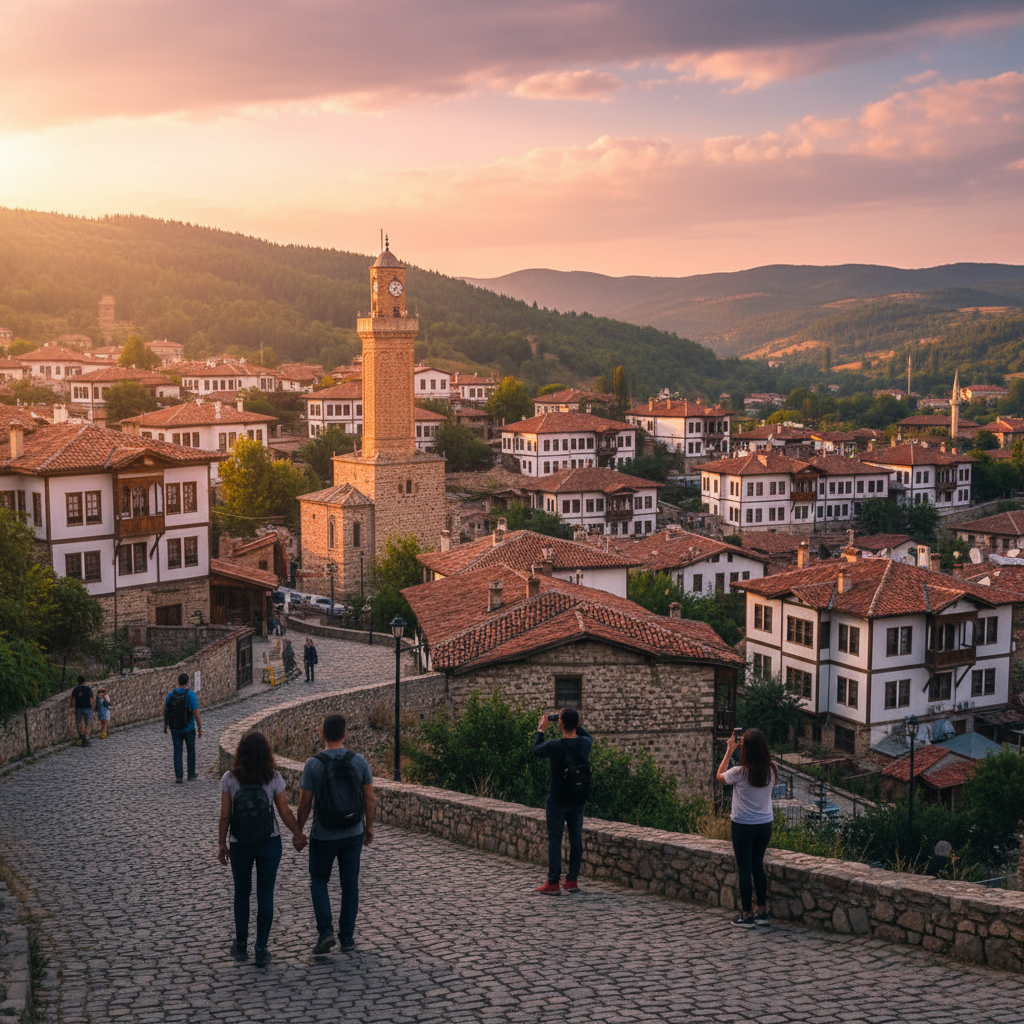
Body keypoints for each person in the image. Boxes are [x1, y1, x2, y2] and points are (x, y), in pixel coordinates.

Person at [218, 731, 307, 967]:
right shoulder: (273, 777)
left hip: (240, 843)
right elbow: (284, 811)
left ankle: (240, 946)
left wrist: (221, 844)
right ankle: (261, 949)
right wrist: (297, 833)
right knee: (265, 894)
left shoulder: (229, 778)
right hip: (269, 842)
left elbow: (225, 815)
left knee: (242, 893)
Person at [295, 714, 374, 954]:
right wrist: (368, 827)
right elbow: (369, 798)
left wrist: (299, 832)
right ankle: (347, 937)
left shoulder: (313, 764)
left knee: (319, 881)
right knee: (350, 884)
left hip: (324, 835)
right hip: (353, 834)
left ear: (322, 734)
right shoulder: (359, 761)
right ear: (345, 733)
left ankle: (325, 932)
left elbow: (304, 804)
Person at [716, 728, 778, 927]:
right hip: (764, 824)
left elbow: (719, 776)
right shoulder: (772, 769)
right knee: (757, 866)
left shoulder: (739, 773)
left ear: (746, 749)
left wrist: (729, 750)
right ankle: (761, 911)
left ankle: (747, 915)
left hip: (743, 825)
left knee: (744, 869)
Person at [532, 707, 592, 895]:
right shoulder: (585, 743)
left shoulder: (556, 745)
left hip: (557, 798)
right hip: (578, 798)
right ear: (577, 723)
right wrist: (572, 722)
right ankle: (572, 880)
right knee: (576, 838)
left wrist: (541, 730)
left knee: (555, 839)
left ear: (560, 724)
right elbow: (584, 734)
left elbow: (536, 750)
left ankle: (552, 882)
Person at [164, 672, 203, 783]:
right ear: (187, 682)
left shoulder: (170, 694)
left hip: (174, 728)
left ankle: (179, 776)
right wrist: (200, 727)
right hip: (188, 727)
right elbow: (196, 712)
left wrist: (166, 725)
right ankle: (191, 774)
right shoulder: (191, 695)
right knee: (191, 750)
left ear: (178, 681)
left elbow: (166, 710)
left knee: (177, 751)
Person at [70, 676, 94, 747]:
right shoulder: (88, 689)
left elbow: (72, 699)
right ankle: (87, 738)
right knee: (88, 723)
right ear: (84, 681)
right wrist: (94, 707)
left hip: (78, 708)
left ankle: (82, 737)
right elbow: (92, 699)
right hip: (87, 707)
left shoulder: (75, 689)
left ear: (78, 681)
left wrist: (71, 705)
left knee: (80, 723)